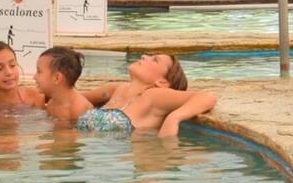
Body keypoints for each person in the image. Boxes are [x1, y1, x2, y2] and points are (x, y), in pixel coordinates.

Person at [77, 53, 217, 138]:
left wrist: (174, 118)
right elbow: (75, 98)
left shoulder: (153, 96)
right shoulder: (116, 89)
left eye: (155, 60)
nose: (144, 56)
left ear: (162, 82)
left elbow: (207, 97)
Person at [34, 46, 93, 120]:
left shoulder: (79, 109)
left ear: (57, 78)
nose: (34, 77)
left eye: (39, 71)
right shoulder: (51, 104)